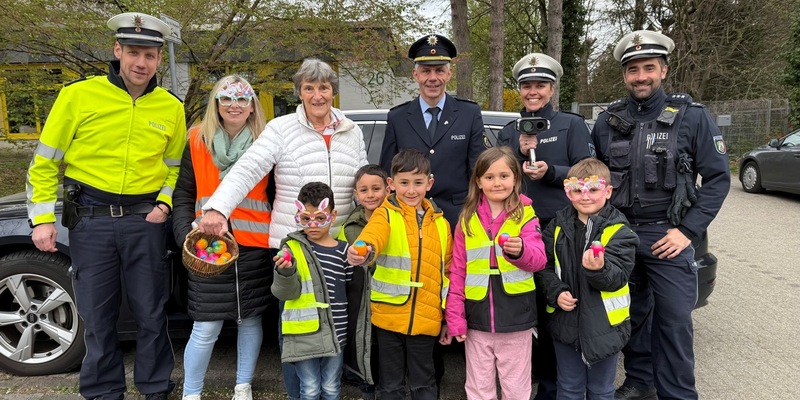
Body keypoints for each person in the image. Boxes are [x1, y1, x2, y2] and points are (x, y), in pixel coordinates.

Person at [26, 12, 184, 400]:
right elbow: (45, 161)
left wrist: (163, 205)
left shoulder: (170, 106)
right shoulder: (78, 96)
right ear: (117, 51)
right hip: (91, 220)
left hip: (144, 221)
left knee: (151, 313)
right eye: (133, 52)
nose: (140, 62)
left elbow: (176, 168)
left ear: (159, 59)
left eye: (149, 55)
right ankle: (102, 391)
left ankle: (155, 387)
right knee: (98, 318)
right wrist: (42, 219)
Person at [194, 59, 367, 399]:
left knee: (336, 321)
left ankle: (329, 390)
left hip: (337, 245)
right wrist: (216, 207)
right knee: (295, 326)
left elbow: (363, 186)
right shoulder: (280, 128)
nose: (317, 96)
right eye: (309, 88)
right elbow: (247, 169)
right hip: (294, 246)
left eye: (323, 88)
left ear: (334, 91)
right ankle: (296, 394)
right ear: (299, 92)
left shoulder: (352, 129)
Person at [592, 30, 730, 400]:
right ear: (624, 75)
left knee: (673, 323)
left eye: (648, 67)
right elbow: (592, 178)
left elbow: (718, 178)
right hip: (619, 234)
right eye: (633, 69)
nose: (641, 76)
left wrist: (687, 231)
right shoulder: (608, 121)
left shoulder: (692, 117)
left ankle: (679, 395)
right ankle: (640, 382)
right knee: (630, 315)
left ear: (664, 70)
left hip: (668, 236)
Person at [496, 52, 595, 400]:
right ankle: (529, 381)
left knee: (557, 310)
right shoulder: (510, 131)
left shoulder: (571, 125)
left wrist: (551, 173)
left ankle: (554, 388)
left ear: (551, 89)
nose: (532, 92)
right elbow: (494, 176)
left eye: (540, 85)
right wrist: (519, 153)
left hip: (559, 232)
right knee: (528, 311)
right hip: (517, 233)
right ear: (519, 90)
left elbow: (590, 174)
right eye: (526, 86)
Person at [172, 76, 272, 400]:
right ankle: (191, 393)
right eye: (226, 99)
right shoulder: (197, 139)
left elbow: (276, 194)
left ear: (252, 106)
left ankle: (243, 386)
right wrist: (183, 231)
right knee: (206, 326)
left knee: (250, 320)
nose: (234, 106)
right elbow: (184, 194)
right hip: (207, 246)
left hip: (253, 246)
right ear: (216, 103)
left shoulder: (266, 141)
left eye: (242, 100)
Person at [442, 146, 547, 400]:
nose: (497, 182)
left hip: (516, 317)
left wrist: (521, 251)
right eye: (489, 177)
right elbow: (457, 272)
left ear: (515, 179)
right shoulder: (466, 219)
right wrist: (454, 318)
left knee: (516, 387)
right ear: (478, 181)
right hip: (476, 318)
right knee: (478, 387)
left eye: (504, 176)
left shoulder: (525, 214)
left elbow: (539, 260)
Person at [347, 149, 452, 400]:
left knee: (424, 383)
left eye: (418, 183)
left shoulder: (441, 223)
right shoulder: (385, 214)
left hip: (427, 317)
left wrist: (448, 316)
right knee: (390, 384)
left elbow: (448, 272)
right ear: (392, 185)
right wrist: (362, 251)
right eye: (404, 183)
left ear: (430, 183)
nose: (411, 190)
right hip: (388, 316)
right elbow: (372, 237)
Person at [539, 158, 639, 400]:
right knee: (569, 387)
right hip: (565, 324)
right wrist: (556, 292)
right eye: (577, 190)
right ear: (568, 192)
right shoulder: (556, 227)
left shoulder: (620, 231)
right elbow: (544, 267)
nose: (585, 196)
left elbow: (617, 277)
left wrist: (598, 270)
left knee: (601, 390)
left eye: (593, 189)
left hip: (605, 328)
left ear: (607, 191)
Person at [379, 34, 485, 231]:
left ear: (449, 74)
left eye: (439, 71)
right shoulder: (398, 117)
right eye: (426, 71)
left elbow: (478, 169)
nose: (433, 78)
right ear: (415, 75)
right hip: (410, 216)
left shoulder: (469, 114)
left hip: (458, 217)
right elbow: (388, 170)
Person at [271, 182, 359, 400]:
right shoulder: (291, 249)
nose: (313, 225)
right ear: (298, 216)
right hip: (303, 333)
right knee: (309, 389)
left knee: (331, 387)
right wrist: (286, 271)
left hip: (336, 332)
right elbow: (284, 293)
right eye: (305, 219)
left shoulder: (344, 251)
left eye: (320, 218)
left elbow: (349, 288)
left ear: (333, 215)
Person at [338, 164, 390, 400]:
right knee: (363, 344)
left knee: (386, 348)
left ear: (388, 188)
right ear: (356, 194)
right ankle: (366, 386)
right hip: (359, 301)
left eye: (376, 188)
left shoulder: (395, 219)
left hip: (389, 299)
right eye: (364, 190)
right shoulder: (349, 226)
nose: (370, 195)